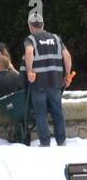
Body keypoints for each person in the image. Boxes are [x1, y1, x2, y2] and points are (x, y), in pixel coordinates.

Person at [24, 15, 72, 146]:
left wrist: (29, 71)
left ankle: (45, 143)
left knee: (41, 114)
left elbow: (29, 52)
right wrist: (67, 75)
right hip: (55, 82)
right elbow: (67, 56)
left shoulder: (31, 39)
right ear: (43, 25)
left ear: (30, 26)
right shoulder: (56, 38)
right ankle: (61, 141)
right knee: (57, 112)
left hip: (38, 82)